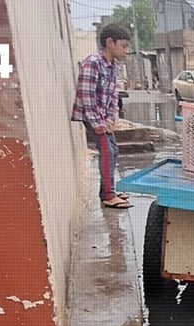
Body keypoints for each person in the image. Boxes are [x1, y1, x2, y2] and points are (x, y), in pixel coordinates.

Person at [73, 23, 132, 209]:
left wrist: (110, 120)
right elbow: (86, 94)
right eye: (123, 46)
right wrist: (97, 123)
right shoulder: (93, 62)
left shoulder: (112, 66)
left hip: (103, 118)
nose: (126, 51)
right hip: (91, 116)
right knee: (107, 152)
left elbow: (113, 94)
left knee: (113, 150)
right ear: (109, 42)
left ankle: (107, 190)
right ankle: (108, 195)